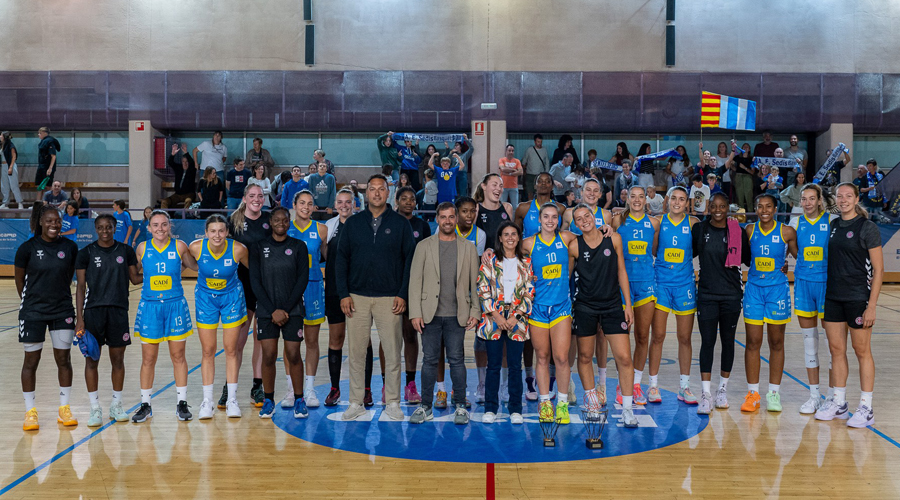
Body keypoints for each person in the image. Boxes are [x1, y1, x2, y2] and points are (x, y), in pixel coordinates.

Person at [336, 174, 416, 421]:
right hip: (356, 297)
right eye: (373, 189)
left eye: (382, 189)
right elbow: (341, 261)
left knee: (392, 353)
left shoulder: (401, 224)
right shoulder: (353, 223)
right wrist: (343, 295)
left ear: (388, 192)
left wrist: (402, 294)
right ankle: (355, 402)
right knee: (357, 353)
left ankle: (392, 402)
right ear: (366, 193)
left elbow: (409, 263)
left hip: (389, 298)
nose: (377, 193)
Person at [815, 183, 883, 428]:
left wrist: (872, 305)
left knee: (861, 350)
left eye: (848, 196)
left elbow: (879, 270)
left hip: (858, 298)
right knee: (836, 350)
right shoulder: (833, 226)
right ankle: (839, 403)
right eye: (840, 196)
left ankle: (866, 407)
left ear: (856, 199)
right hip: (833, 297)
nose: (843, 200)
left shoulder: (867, 228)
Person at [408, 202, 480, 425]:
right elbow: (415, 282)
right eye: (443, 217)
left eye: (451, 217)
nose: (447, 221)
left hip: (457, 314)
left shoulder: (468, 247)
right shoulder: (423, 246)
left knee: (457, 360)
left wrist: (475, 311)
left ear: (456, 219)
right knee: (429, 360)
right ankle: (425, 406)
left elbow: (475, 284)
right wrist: (415, 313)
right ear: (437, 219)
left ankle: (460, 405)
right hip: (429, 314)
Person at [569, 203, 638, 427]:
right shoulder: (574, 246)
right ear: (575, 224)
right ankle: (591, 402)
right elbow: (566, 278)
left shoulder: (614, 239)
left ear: (594, 216)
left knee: (624, 358)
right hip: (585, 307)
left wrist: (628, 304)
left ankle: (627, 408)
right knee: (585, 357)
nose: (584, 220)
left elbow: (621, 271)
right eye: (578, 219)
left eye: (586, 215)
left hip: (612, 305)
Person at [131, 210, 199, 423]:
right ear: (148, 228)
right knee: (148, 359)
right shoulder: (142, 248)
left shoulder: (180, 247)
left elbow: (196, 266)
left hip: (175, 306)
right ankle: (145, 404)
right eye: (155, 225)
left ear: (170, 227)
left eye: (164, 224)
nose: (160, 229)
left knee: (178, 356)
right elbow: (134, 276)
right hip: (150, 307)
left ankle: (181, 403)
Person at [16, 204, 79, 431]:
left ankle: (64, 408)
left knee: (64, 360)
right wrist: (33, 301)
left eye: (57, 221)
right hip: (33, 312)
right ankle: (30, 412)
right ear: (41, 222)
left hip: (62, 311)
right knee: (31, 362)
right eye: (50, 221)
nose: (54, 225)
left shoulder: (70, 247)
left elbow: (71, 275)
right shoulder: (27, 248)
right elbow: (19, 281)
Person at [74, 214, 141, 426]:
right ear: (95, 229)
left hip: (119, 311)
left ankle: (116, 405)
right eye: (101, 227)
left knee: (118, 360)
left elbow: (135, 278)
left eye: (109, 227)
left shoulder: (125, 251)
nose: (105, 231)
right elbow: (81, 287)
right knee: (91, 360)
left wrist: (162, 269)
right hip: (93, 312)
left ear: (114, 228)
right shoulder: (85, 253)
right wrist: (80, 319)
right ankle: (95, 409)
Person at [692, 193, 751, 413]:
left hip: (731, 296)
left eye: (722, 206)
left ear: (728, 208)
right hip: (706, 295)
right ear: (708, 207)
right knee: (707, 342)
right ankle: (705, 394)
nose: (717, 209)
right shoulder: (700, 230)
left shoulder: (737, 231)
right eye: (714, 206)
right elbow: (686, 253)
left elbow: (749, 259)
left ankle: (722, 390)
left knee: (728, 341)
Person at [249, 207, 310, 419]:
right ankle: (268, 400)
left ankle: (299, 399)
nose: (281, 223)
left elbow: (302, 280)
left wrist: (285, 309)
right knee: (268, 355)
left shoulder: (299, 247)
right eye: (277, 220)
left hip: (293, 311)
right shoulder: (259, 247)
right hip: (267, 312)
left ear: (289, 222)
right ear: (270, 222)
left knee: (293, 355)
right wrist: (272, 310)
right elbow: (255, 281)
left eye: (285, 220)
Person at [740, 194, 798, 413]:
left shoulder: (787, 232)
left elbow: (798, 257)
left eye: (768, 206)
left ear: (775, 209)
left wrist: (788, 266)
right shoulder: (749, 230)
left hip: (777, 292)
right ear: (755, 208)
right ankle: (753, 393)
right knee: (753, 342)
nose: (764, 210)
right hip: (754, 290)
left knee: (776, 342)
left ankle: (773, 393)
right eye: (760, 206)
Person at [189, 215, 250, 419]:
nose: (217, 235)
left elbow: (254, 271)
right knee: (208, 350)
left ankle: (232, 400)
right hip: (206, 299)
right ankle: (207, 402)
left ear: (227, 232)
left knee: (231, 349)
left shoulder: (238, 249)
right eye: (213, 231)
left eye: (221, 231)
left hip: (231, 298)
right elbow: (180, 266)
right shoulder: (196, 248)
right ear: (206, 233)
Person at [324, 190, 377, 407]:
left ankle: (366, 390)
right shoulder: (328, 226)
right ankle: (335, 388)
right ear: (335, 204)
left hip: (358, 292)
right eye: (340, 202)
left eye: (348, 202)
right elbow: (327, 256)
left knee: (363, 341)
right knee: (335, 339)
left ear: (355, 204)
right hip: (335, 291)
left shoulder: (364, 224)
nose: (344, 205)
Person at [524, 202, 577, 424]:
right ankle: (545, 403)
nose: (550, 220)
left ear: (558, 220)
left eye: (554, 217)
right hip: (537, 308)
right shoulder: (528, 243)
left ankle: (562, 405)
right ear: (539, 219)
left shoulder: (566, 238)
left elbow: (589, 235)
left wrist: (607, 229)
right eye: (546, 216)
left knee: (562, 358)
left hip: (561, 307)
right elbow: (507, 253)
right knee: (542, 356)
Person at [476, 221, 533, 424]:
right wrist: (498, 317)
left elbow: (529, 291)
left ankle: (515, 409)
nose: (510, 238)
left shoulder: (526, 262)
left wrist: (514, 316)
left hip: (516, 320)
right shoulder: (490, 261)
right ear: (499, 238)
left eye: (514, 234)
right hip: (494, 320)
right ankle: (491, 408)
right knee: (493, 365)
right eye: (506, 234)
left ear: (518, 237)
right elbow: (482, 289)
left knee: (515, 366)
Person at [649, 186, 699, 404]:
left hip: (685, 284)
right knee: (658, 336)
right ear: (667, 200)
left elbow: (696, 249)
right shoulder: (659, 222)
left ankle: (684, 387)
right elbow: (654, 249)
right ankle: (652, 386)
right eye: (674, 199)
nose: (677, 203)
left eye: (682, 199)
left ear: (687, 202)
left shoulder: (693, 223)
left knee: (684, 338)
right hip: (661, 283)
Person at [790, 184, 836, 414]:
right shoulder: (795, 222)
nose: (807, 203)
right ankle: (814, 395)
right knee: (810, 344)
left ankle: (834, 397)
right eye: (804, 199)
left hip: (828, 286)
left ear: (819, 200)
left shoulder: (832, 220)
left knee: (833, 345)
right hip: (804, 285)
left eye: (811, 199)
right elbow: (793, 249)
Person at [225, 185, 271, 408]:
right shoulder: (233, 220)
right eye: (251, 195)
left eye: (260, 196)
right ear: (244, 198)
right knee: (237, 342)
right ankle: (229, 386)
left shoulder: (270, 220)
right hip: (240, 287)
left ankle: (257, 386)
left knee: (260, 340)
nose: (256, 199)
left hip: (263, 287)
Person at [613, 186, 659, 407]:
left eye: (641, 196)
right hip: (623, 285)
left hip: (647, 283)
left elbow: (655, 251)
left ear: (646, 200)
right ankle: (623, 385)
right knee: (623, 337)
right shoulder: (617, 222)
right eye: (633, 196)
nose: (637, 200)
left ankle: (637, 384)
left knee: (642, 336)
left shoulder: (654, 223)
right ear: (627, 198)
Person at [282, 190, 328, 409]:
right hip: (289, 289)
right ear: (294, 204)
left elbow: (327, 257)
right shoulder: (285, 227)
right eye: (302, 203)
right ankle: (292, 389)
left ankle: (309, 389)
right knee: (290, 342)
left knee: (311, 341)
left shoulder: (321, 230)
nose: (306, 207)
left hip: (313, 288)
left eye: (310, 204)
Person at [391, 187, 430, 404]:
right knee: (389, 337)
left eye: (412, 198)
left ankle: (410, 383)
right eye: (404, 198)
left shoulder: (422, 226)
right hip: (390, 286)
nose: (408, 202)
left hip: (414, 287)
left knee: (410, 335)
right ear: (396, 201)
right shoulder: (389, 222)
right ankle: (389, 383)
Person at [161, 143, 196, 210]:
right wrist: (173, 154)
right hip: (177, 194)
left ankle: (185, 218)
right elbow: (170, 162)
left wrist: (186, 152)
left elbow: (192, 163)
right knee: (164, 202)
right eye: (183, 161)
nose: (185, 163)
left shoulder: (192, 170)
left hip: (189, 194)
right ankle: (164, 217)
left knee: (188, 201)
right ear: (181, 162)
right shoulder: (178, 168)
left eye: (186, 162)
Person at [521, 134, 549, 201]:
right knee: (529, 192)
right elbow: (524, 162)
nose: (540, 143)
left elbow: (547, 163)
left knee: (539, 192)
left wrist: (547, 174)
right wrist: (523, 172)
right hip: (530, 174)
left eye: (541, 142)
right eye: (538, 142)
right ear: (535, 142)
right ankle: (531, 205)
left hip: (540, 175)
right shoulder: (529, 150)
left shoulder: (544, 150)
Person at [0, 131, 24, 209]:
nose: (0, 136)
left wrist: (10, 167)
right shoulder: (2, 145)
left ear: (4, 137)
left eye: (1, 135)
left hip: (10, 165)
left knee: (13, 185)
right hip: (3, 166)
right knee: (4, 185)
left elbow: (14, 156)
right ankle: (5, 202)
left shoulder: (10, 145)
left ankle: (19, 202)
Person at [732, 142, 756, 211]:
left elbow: (752, 172)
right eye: (744, 147)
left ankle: (751, 215)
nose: (745, 148)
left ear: (749, 149)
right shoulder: (737, 157)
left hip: (748, 177)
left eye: (747, 147)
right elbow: (731, 164)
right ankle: (741, 216)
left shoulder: (751, 159)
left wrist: (744, 168)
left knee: (749, 196)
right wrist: (736, 169)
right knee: (739, 197)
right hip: (738, 177)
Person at [36, 127, 61, 194]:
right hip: (41, 166)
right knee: (39, 185)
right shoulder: (43, 141)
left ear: (45, 133)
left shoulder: (50, 142)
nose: (39, 135)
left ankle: (48, 201)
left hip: (47, 166)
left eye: (40, 133)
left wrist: (50, 168)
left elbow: (53, 156)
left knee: (48, 185)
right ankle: (38, 202)